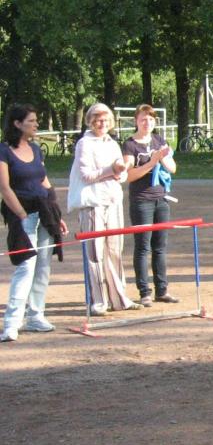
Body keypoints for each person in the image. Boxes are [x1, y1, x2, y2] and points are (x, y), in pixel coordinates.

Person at [0, 104, 68, 342]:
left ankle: (35, 316)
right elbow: (5, 187)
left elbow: (45, 182)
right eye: (31, 121)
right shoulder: (4, 151)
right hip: (23, 216)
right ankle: (11, 323)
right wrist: (20, 214)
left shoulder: (36, 150)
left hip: (44, 213)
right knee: (26, 267)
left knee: (43, 266)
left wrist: (56, 215)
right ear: (17, 124)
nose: (36, 124)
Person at [67, 102, 141, 316]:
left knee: (115, 250)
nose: (102, 123)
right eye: (98, 120)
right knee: (95, 253)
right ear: (90, 121)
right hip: (93, 203)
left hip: (113, 200)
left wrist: (121, 172)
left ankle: (119, 299)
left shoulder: (112, 143)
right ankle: (98, 301)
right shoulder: (84, 143)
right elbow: (86, 175)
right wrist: (112, 170)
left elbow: (122, 173)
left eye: (106, 120)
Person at [121, 104, 179, 307]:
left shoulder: (159, 141)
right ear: (136, 121)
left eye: (151, 119)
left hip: (161, 199)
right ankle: (144, 291)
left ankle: (162, 290)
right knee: (143, 247)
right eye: (144, 119)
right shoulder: (130, 145)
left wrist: (162, 159)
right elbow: (129, 176)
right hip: (141, 200)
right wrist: (151, 162)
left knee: (160, 247)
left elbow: (172, 168)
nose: (147, 123)